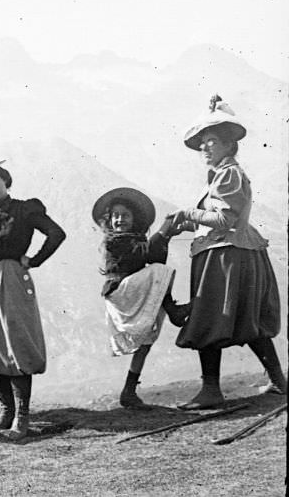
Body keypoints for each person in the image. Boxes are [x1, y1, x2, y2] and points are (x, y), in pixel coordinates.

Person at [170, 95, 285, 410]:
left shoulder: (228, 174)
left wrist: (187, 214)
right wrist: (189, 225)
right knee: (245, 319)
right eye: (204, 142)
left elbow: (224, 219)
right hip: (233, 253)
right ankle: (278, 381)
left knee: (210, 317)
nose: (205, 148)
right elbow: (220, 218)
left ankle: (211, 390)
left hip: (225, 257)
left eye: (212, 141)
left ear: (228, 144)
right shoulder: (224, 173)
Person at [0, 157, 66, 438]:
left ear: (5, 180)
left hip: (11, 278)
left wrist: (34, 260)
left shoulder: (25, 209)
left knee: (15, 341)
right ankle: (6, 410)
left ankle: (22, 415)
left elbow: (57, 233)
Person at [92, 187, 191, 409]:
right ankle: (173, 311)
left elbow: (154, 252)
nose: (119, 220)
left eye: (125, 215)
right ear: (109, 219)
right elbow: (147, 255)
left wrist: (167, 236)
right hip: (121, 291)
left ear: (135, 219)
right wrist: (165, 229)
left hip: (132, 290)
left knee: (146, 339)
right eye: (115, 215)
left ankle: (129, 391)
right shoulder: (113, 241)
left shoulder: (133, 239)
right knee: (160, 272)